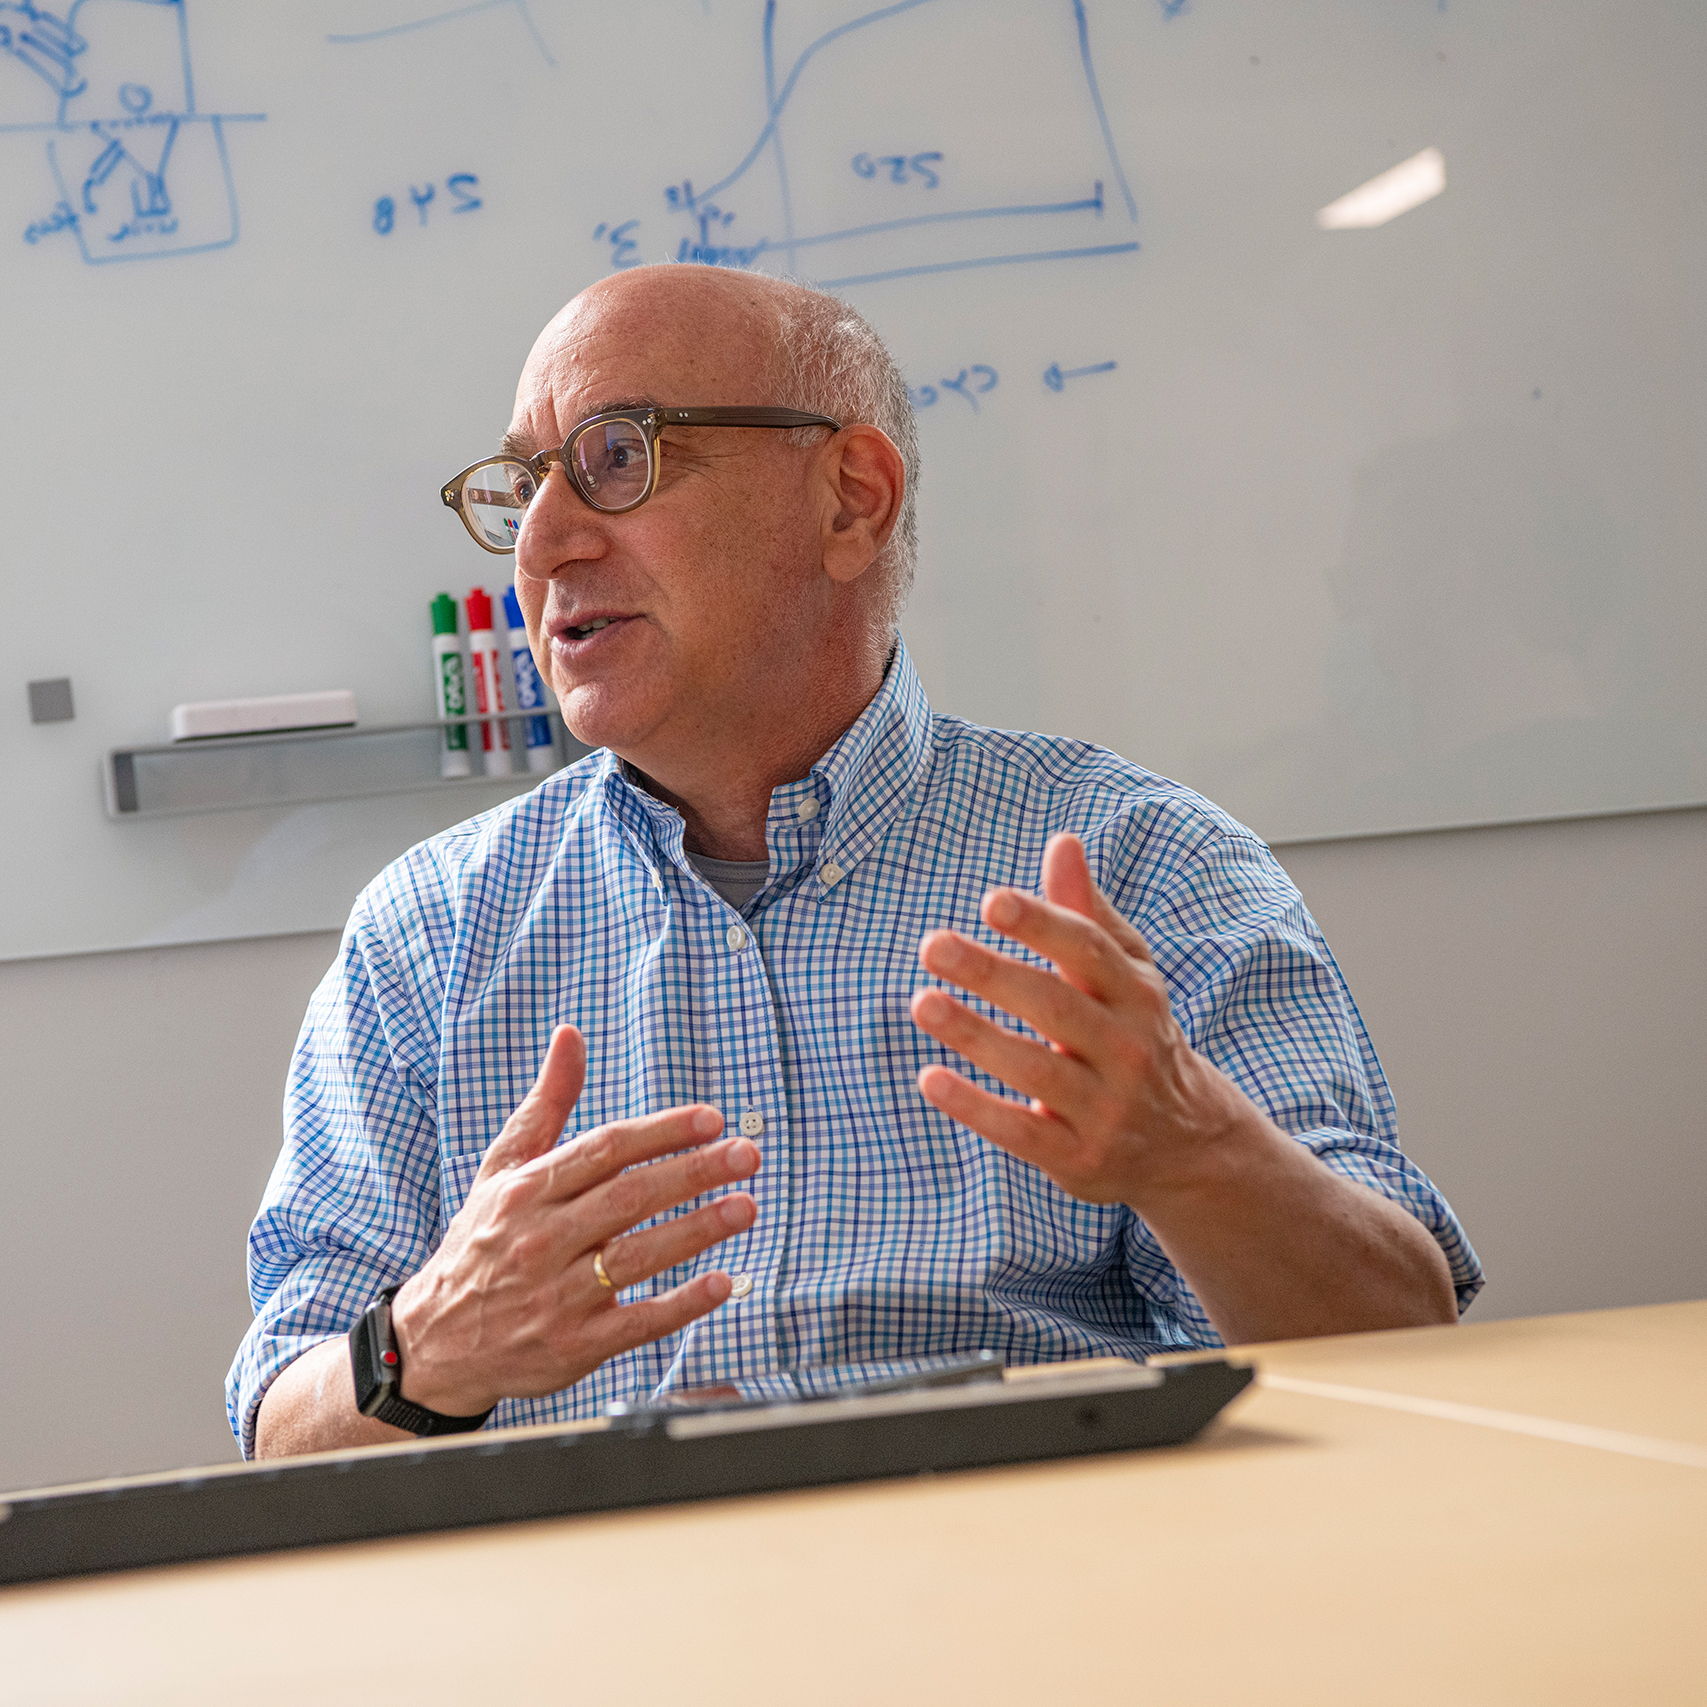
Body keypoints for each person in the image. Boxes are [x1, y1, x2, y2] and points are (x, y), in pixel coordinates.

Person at [230, 265, 1480, 1459]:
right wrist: (427, 1348)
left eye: (616, 458)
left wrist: (1198, 1150)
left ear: (850, 501)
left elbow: (1402, 1349)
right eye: (522, 480)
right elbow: (282, 1422)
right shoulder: (431, 931)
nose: (542, 540)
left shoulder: (1142, 866)